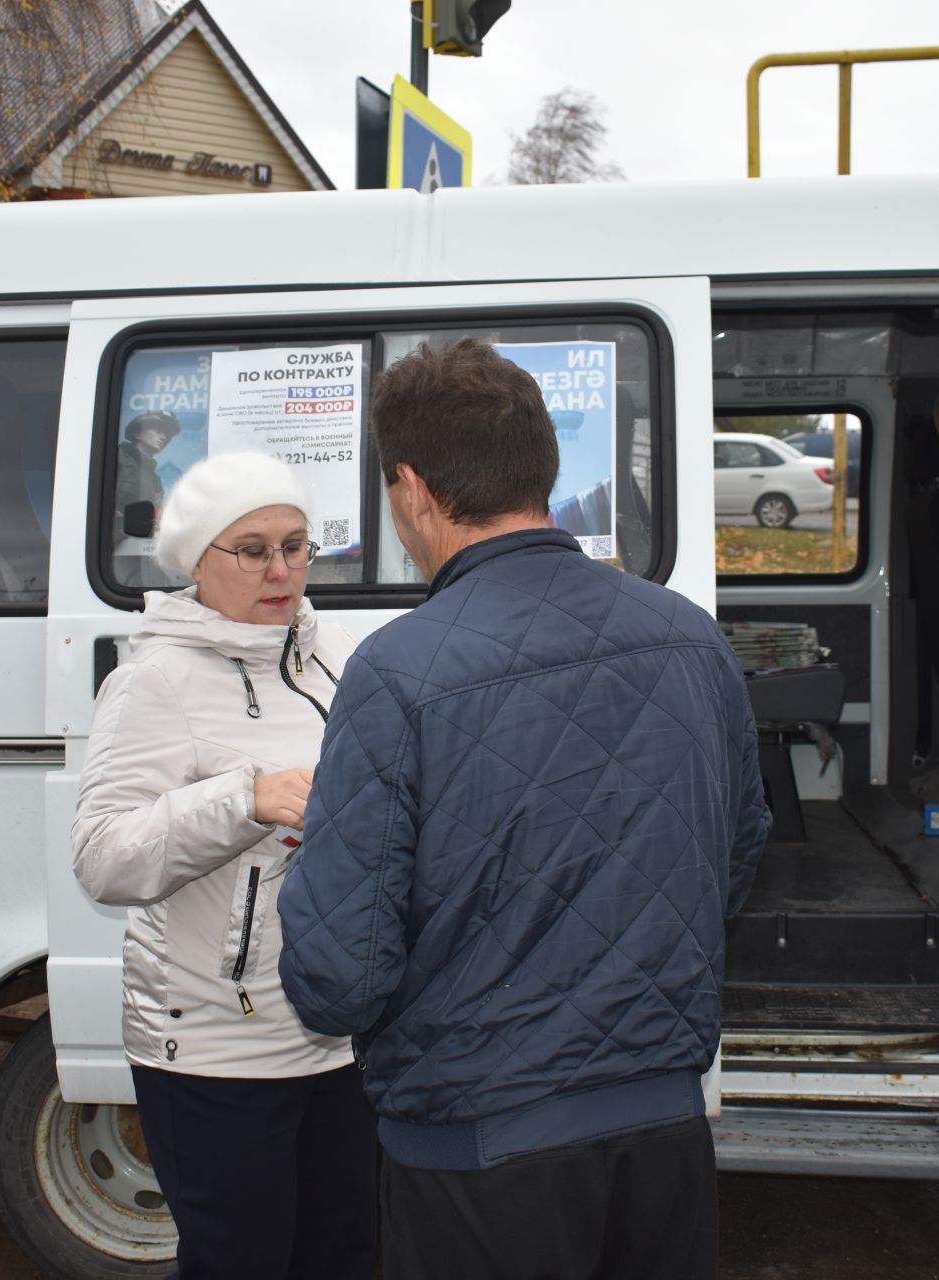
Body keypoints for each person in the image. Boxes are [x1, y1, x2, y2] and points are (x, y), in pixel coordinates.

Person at [277, 339, 771, 1280]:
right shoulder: (689, 637)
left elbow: (341, 976)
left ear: (413, 489)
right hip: (664, 1123)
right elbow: (735, 856)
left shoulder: (398, 669)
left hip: (477, 1146)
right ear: (541, 467)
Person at [71, 451, 376, 1280]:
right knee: (242, 1262)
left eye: (297, 545)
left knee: (345, 1256)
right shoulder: (154, 682)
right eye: (252, 549)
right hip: (215, 1048)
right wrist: (244, 800)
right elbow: (103, 858)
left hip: (339, 1034)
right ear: (197, 561)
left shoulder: (339, 655)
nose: (281, 570)